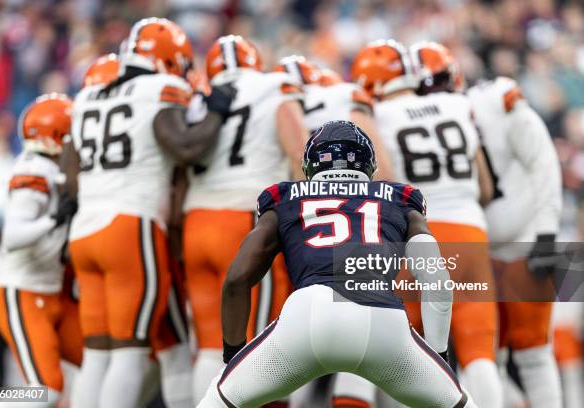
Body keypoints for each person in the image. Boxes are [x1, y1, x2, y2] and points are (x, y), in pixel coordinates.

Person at [197, 120, 476, 408]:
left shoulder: (285, 198)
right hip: (384, 324)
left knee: (217, 402)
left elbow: (236, 280)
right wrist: (438, 357)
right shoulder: (399, 199)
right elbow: (437, 282)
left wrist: (233, 357)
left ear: (309, 168)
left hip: (308, 317)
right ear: (370, 167)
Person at [67, 18, 236, 408]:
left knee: (98, 353)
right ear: (166, 61)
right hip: (130, 225)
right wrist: (216, 112)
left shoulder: (89, 96)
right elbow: (186, 145)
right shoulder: (160, 88)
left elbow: (71, 176)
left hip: (84, 229)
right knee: (130, 350)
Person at [351, 39, 502, 408]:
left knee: (412, 356)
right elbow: (484, 187)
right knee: (479, 351)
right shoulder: (457, 104)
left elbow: (382, 180)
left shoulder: (377, 115)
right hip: (470, 230)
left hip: (417, 235)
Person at [182, 35, 308, 402]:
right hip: (245, 222)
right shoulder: (273, 86)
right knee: (260, 342)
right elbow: (300, 154)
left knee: (209, 343)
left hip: (196, 221)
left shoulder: (197, 98)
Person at [451, 46, 563, 407]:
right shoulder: (450, 112)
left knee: (534, 351)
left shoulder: (499, 99)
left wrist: (547, 232)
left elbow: (544, 161)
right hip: (478, 247)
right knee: (482, 355)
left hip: (526, 240)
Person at [0, 93, 82, 407]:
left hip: (54, 295)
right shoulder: (34, 170)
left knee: (108, 357)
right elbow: (13, 236)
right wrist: (55, 219)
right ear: (59, 136)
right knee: (45, 388)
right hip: (25, 294)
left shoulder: (50, 169)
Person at [275, 54, 393, 182]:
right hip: (354, 184)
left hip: (308, 189)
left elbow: (297, 157)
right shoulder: (344, 93)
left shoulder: (277, 103)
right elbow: (379, 166)